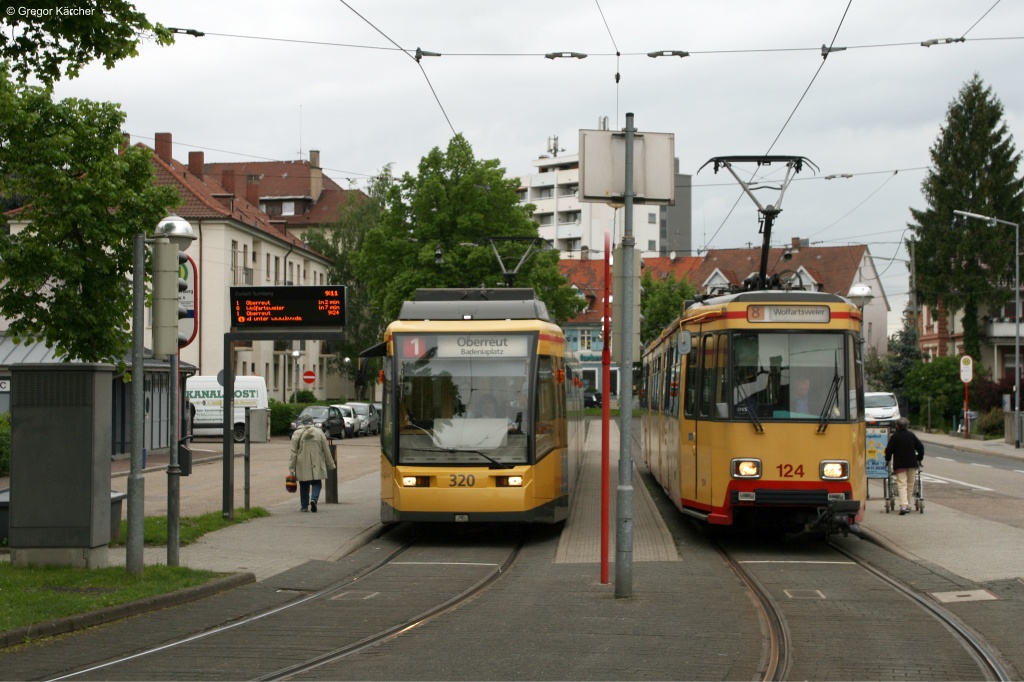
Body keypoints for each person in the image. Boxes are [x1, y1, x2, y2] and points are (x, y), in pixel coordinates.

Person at [289, 414, 336, 512]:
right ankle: (314, 499)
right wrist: (330, 464)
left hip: (302, 463)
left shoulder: (296, 433)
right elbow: (326, 450)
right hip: (317, 461)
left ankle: (304, 506)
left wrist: (292, 468)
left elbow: (293, 452)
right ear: (312, 421)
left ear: (302, 422)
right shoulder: (319, 433)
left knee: (304, 484)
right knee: (317, 482)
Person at [883, 417, 924, 515]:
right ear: (907, 426)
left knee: (902, 484)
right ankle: (907, 504)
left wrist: (887, 459)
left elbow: (888, 450)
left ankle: (904, 505)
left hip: (900, 464)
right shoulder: (911, 435)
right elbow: (920, 447)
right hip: (912, 463)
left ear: (897, 426)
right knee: (910, 484)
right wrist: (919, 458)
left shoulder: (894, 437)